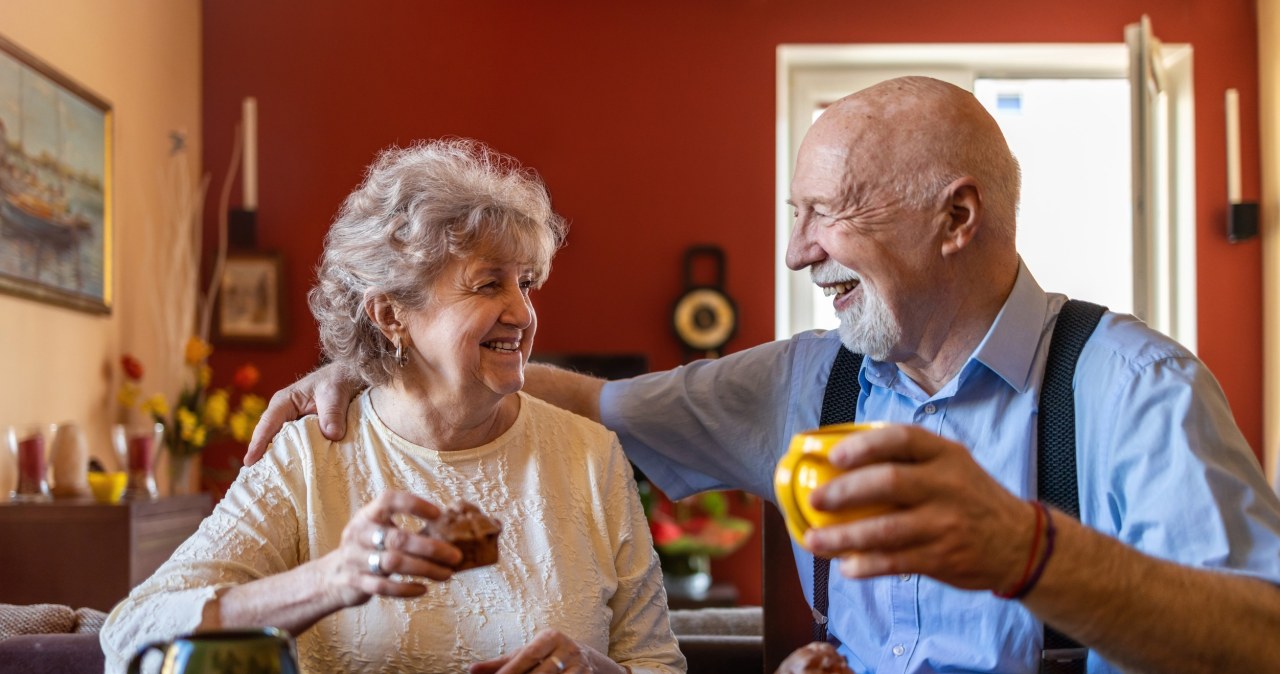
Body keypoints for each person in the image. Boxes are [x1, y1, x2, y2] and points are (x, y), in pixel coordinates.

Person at [248, 78, 1280, 673]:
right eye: (796, 214)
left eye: (824, 212)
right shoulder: (803, 379)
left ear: (955, 218)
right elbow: (585, 397)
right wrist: (370, 371)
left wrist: (1025, 550)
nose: (794, 252)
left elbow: (1261, 634)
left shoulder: (1134, 388)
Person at [101, 139, 685, 674]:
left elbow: (659, 664)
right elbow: (131, 631)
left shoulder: (591, 455)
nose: (523, 312)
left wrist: (596, 673)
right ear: (389, 315)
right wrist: (332, 578)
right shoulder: (308, 459)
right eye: (489, 285)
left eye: (525, 283)